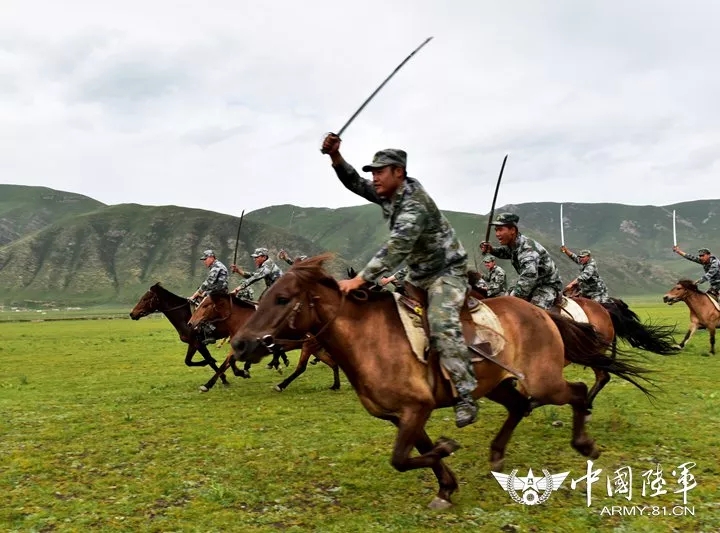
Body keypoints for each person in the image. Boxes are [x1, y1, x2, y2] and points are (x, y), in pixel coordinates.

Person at [321, 133, 477, 428]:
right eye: (374, 172)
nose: (375, 178)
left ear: (399, 172)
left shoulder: (414, 205)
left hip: (446, 272)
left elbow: (397, 248)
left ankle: (465, 393)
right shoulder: (388, 195)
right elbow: (355, 183)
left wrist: (360, 280)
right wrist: (335, 157)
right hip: (418, 274)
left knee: (441, 323)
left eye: (380, 172)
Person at [480, 213, 563, 310]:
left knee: (533, 315)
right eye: (496, 230)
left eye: (501, 230)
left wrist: (512, 299)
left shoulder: (527, 250)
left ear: (512, 230)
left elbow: (529, 278)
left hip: (547, 286)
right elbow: (507, 252)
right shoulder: (515, 244)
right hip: (533, 284)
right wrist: (492, 250)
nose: (497, 234)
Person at [189, 249, 229, 344]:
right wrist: (203, 293)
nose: (204, 261)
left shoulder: (217, 267)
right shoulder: (215, 266)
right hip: (215, 291)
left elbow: (209, 281)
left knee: (203, 308)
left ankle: (210, 333)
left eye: (205, 259)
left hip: (218, 292)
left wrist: (195, 295)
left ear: (211, 258)